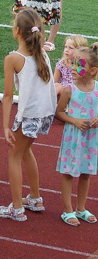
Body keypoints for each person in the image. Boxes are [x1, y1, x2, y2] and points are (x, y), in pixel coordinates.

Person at [0, 9, 56, 222]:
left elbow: (8, 96)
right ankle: (35, 198)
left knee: (14, 156)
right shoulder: (43, 53)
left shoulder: (13, 59)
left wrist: (5, 127)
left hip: (29, 114)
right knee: (26, 150)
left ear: (17, 31)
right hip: (44, 114)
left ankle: (17, 208)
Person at [56, 43, 98, 226]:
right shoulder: (68, 90)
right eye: (73, 63)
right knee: (68, 173)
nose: (73, 68)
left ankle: (81, 208)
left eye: (79, 65)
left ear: (93, 70)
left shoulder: (97, 89)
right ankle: (68, 210)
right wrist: (75, 121)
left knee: (86, 173)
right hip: (73, 138)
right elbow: (59, 112)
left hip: (91, 139)